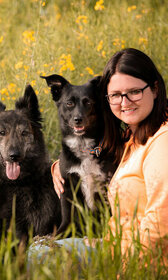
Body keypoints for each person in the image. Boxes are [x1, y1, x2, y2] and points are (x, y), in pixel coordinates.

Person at [30, 48, 168, 263]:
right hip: (112, 242)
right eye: (115, 95)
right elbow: (92, 154)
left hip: (133, 257)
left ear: (155, 89)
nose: (124, 102)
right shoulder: (130, 136)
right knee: (37, 248)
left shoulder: (162, 142)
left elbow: (161, 224)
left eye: (134, 92)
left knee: (40, 255)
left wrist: (121, 266)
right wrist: (60, 165)